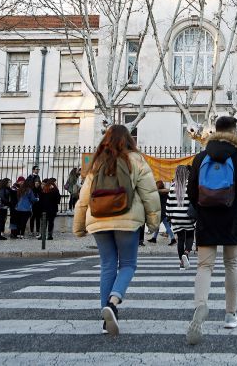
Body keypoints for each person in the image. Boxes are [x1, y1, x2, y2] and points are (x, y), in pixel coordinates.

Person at [73, 124, 160, 336]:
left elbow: (83, 198)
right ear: (129, 140)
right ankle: (113, 302)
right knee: (128, 264)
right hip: (127, 220)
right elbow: (149, 194)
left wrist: (79, 227)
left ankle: (106, 320)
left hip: (98, 219)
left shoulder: (97, 162)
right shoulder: (136, 160)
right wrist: (153, 223)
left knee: (107, 265)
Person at [185, 116, 237, 345]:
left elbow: (192, 190)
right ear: (234, 132)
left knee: (204, 265)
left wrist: (200, 208)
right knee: (231, 264)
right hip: (231, 215)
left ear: (215, 131)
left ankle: (201, 305)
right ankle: (230, 314)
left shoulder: (201, 157)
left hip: (206, 215)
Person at [167, 165, 195, 269]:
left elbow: (168, 203)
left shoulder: (173, 186)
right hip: (187, 217)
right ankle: (186, 253)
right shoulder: (190, 186)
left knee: (180, 239)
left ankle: (181, 263)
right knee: (190, 235)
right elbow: (193, 201)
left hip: (176, 217)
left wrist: (169, 216)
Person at [25, 167, 43, 237]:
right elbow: (27, 184)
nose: (37, 170)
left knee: (38, 218)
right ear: (33, 170)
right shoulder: (30, 177)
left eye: (38, 169)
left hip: (38, 204)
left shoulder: (38, 177)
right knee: (32, 218)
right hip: (32, 203)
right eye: (36, 169)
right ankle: (32, 231)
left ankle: (38, 231)